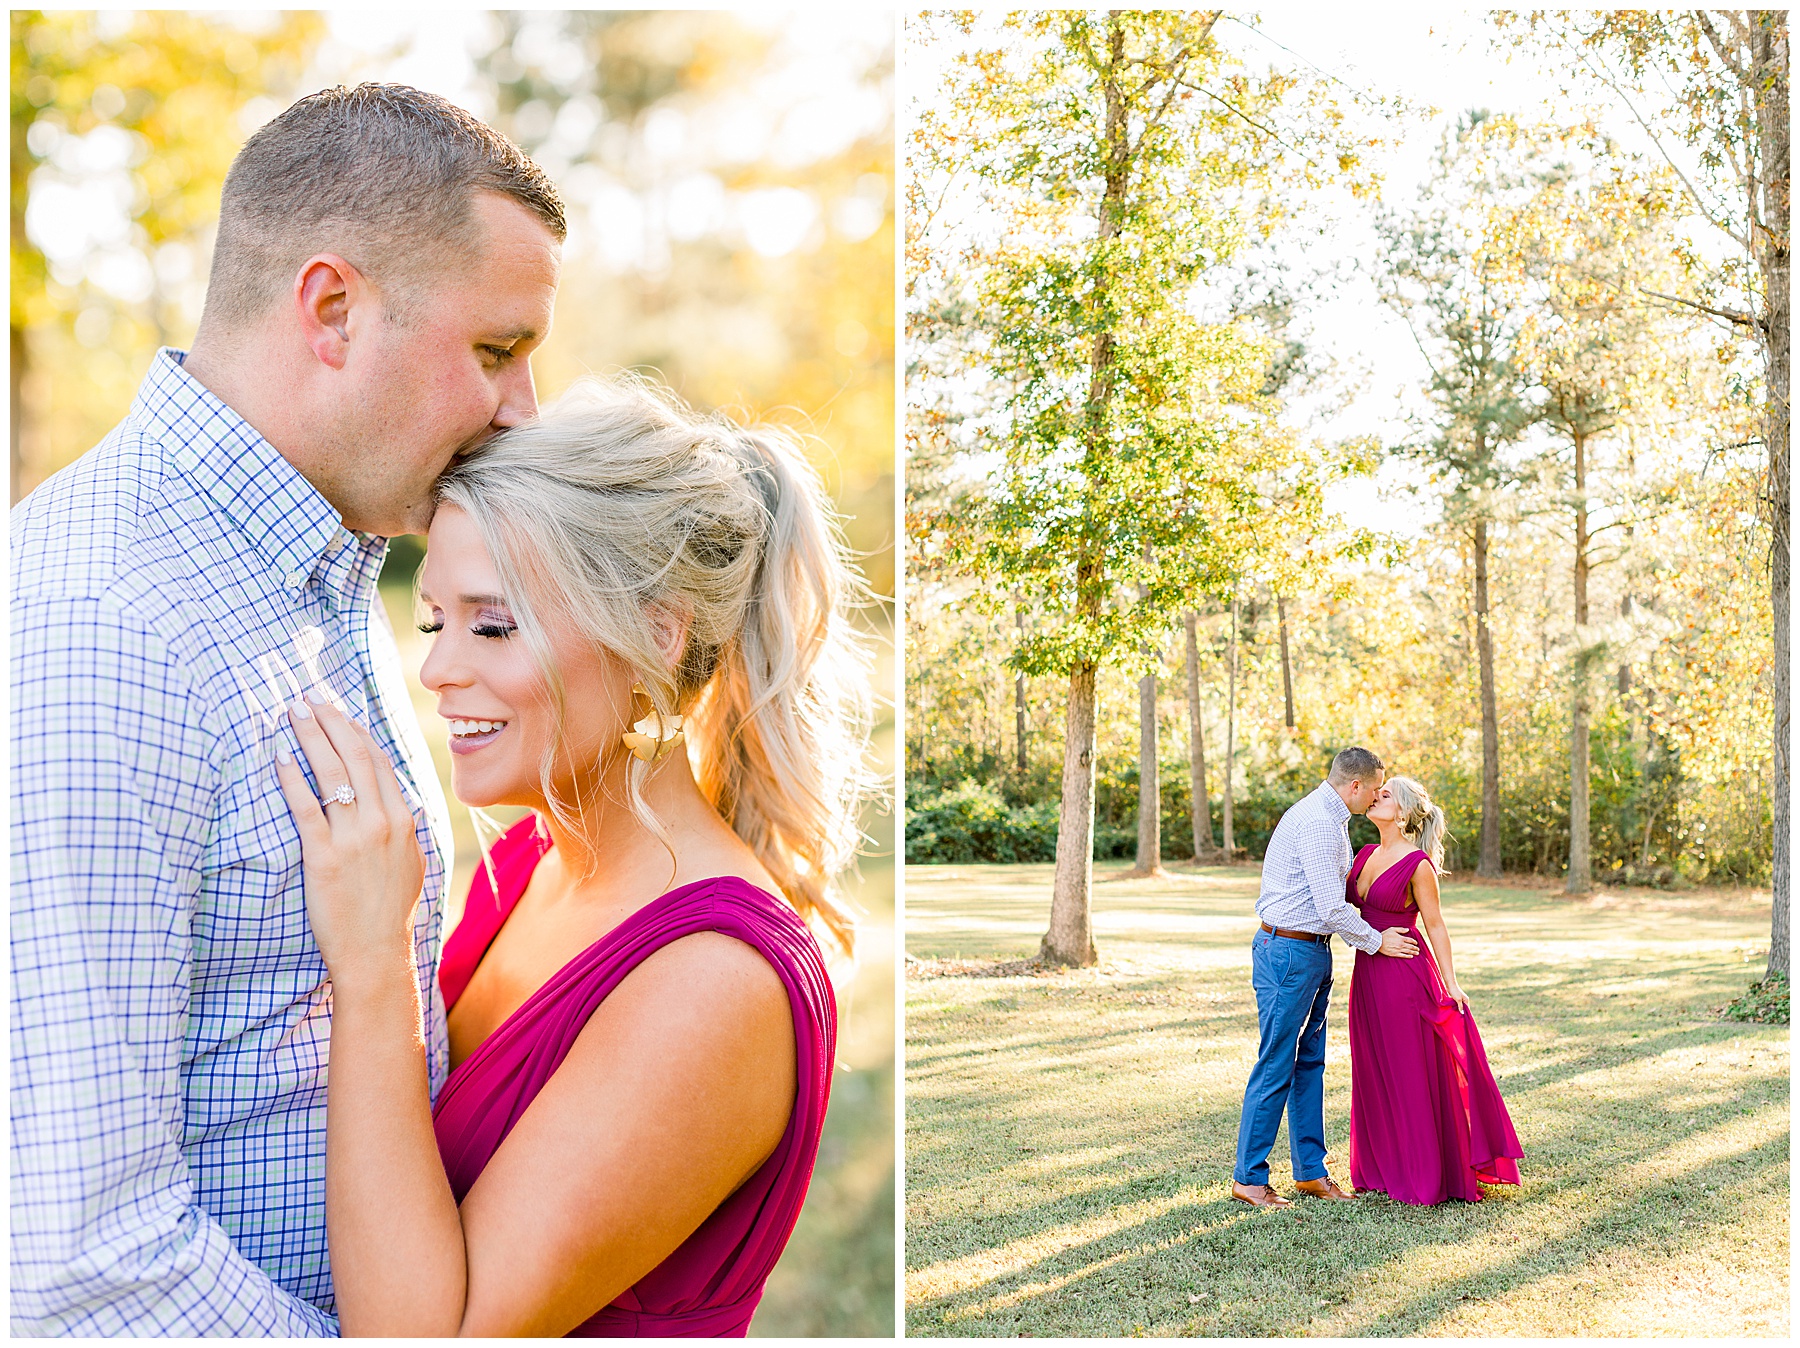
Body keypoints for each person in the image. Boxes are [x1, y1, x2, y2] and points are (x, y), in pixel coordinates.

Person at [11, 84, 563, 1334]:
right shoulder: (104, 626)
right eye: (497, 350)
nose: (523, 406)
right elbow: (84, 1261)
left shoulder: (320, 576)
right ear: (332, 310)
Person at [273, 376, 871, 1335]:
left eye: (493, 625)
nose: (438, 668)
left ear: (655, 636)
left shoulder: (716, 981)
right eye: (435, 621)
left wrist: (374, 965)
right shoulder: (530, 861)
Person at [1230, 746, 1420, 1209]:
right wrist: (1376, 940)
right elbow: (1331, 907)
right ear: (1355, 785)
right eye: (1376, 789)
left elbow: (1338, 897)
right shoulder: (1317, 821)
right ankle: (1249, 1179)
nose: (1376, 796)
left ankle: (1311, 1173)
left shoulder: (1332, 819)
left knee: (1309, 1062)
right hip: (1289, 954)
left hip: (1312, 951)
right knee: (1277, 1062)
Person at [1346, 776, 1522, 1204]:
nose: (1375, 796)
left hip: (1404, 976)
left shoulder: (1418, 864)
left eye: (1386, 794)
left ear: (1404, 812)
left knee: (1408, 1072)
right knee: (1375, 1070)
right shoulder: (1365, 853)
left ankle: (1424, 1174)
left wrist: (1452, 983)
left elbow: (1436, 925)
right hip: (1367, 975)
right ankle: (1384, 1168)